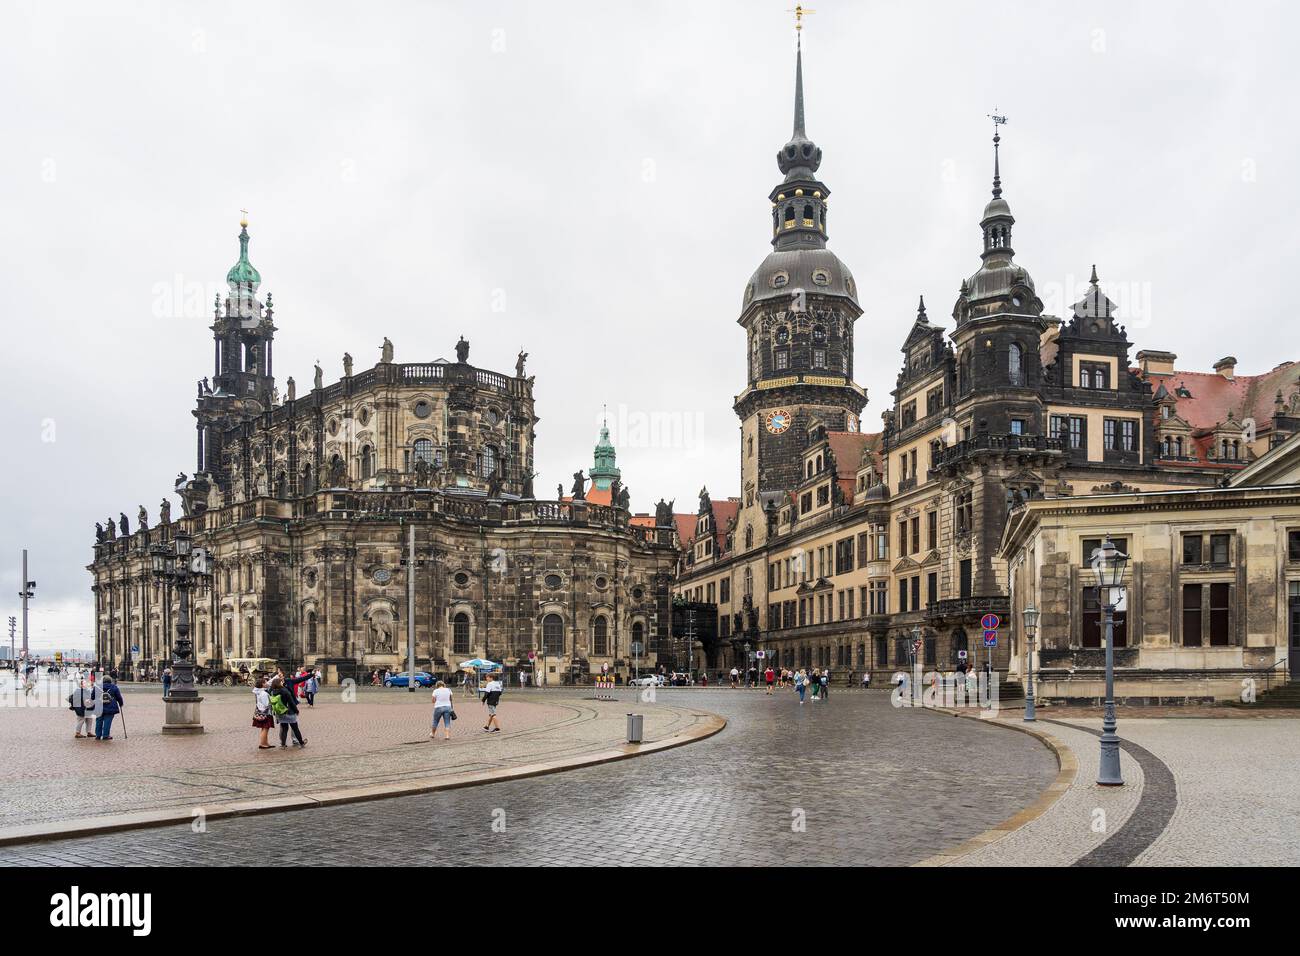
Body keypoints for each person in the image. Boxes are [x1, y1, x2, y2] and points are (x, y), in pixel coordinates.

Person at [269, 673, 310, 747]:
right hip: (289, 711)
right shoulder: (285, 691)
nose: (282, 682)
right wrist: (296, 710)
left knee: (284, 728)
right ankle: (301, 743)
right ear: (279, 683)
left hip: (280, 712)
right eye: (281, 682)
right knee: (295, 728)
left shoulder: (272, 691)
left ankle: (283, 744)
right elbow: (291, 702)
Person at [95, 677, 124, 741]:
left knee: (98, 721)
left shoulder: (97, 687)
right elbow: (119, 697)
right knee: (107, 722)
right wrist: (121, 704)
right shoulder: (114, 687)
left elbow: (92, 696)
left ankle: (98, 735)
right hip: (110, 706)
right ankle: (105, 735)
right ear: (110, 681)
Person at [252, 677, 275, 749]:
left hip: (260, 712)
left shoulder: (258, 691)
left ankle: (265, 743)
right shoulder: (263, 693)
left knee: (264, 728)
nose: (266, 683)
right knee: (265, 728)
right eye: (265, 682)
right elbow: (267, 704)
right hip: (266, 713)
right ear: (262, 684)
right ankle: (262, 744)